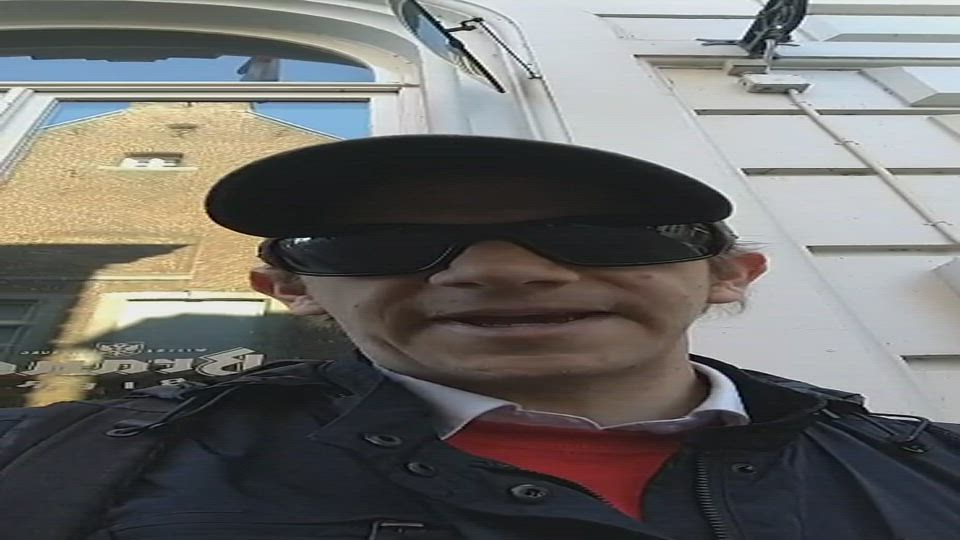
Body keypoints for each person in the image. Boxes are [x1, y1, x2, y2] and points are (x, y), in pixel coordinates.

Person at [1, 135, 958, 540]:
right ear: (290, 290)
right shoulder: (55, 468)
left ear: (729, 274)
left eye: (599, 233)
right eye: (384, 242)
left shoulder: (936, 472)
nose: (500, 270)